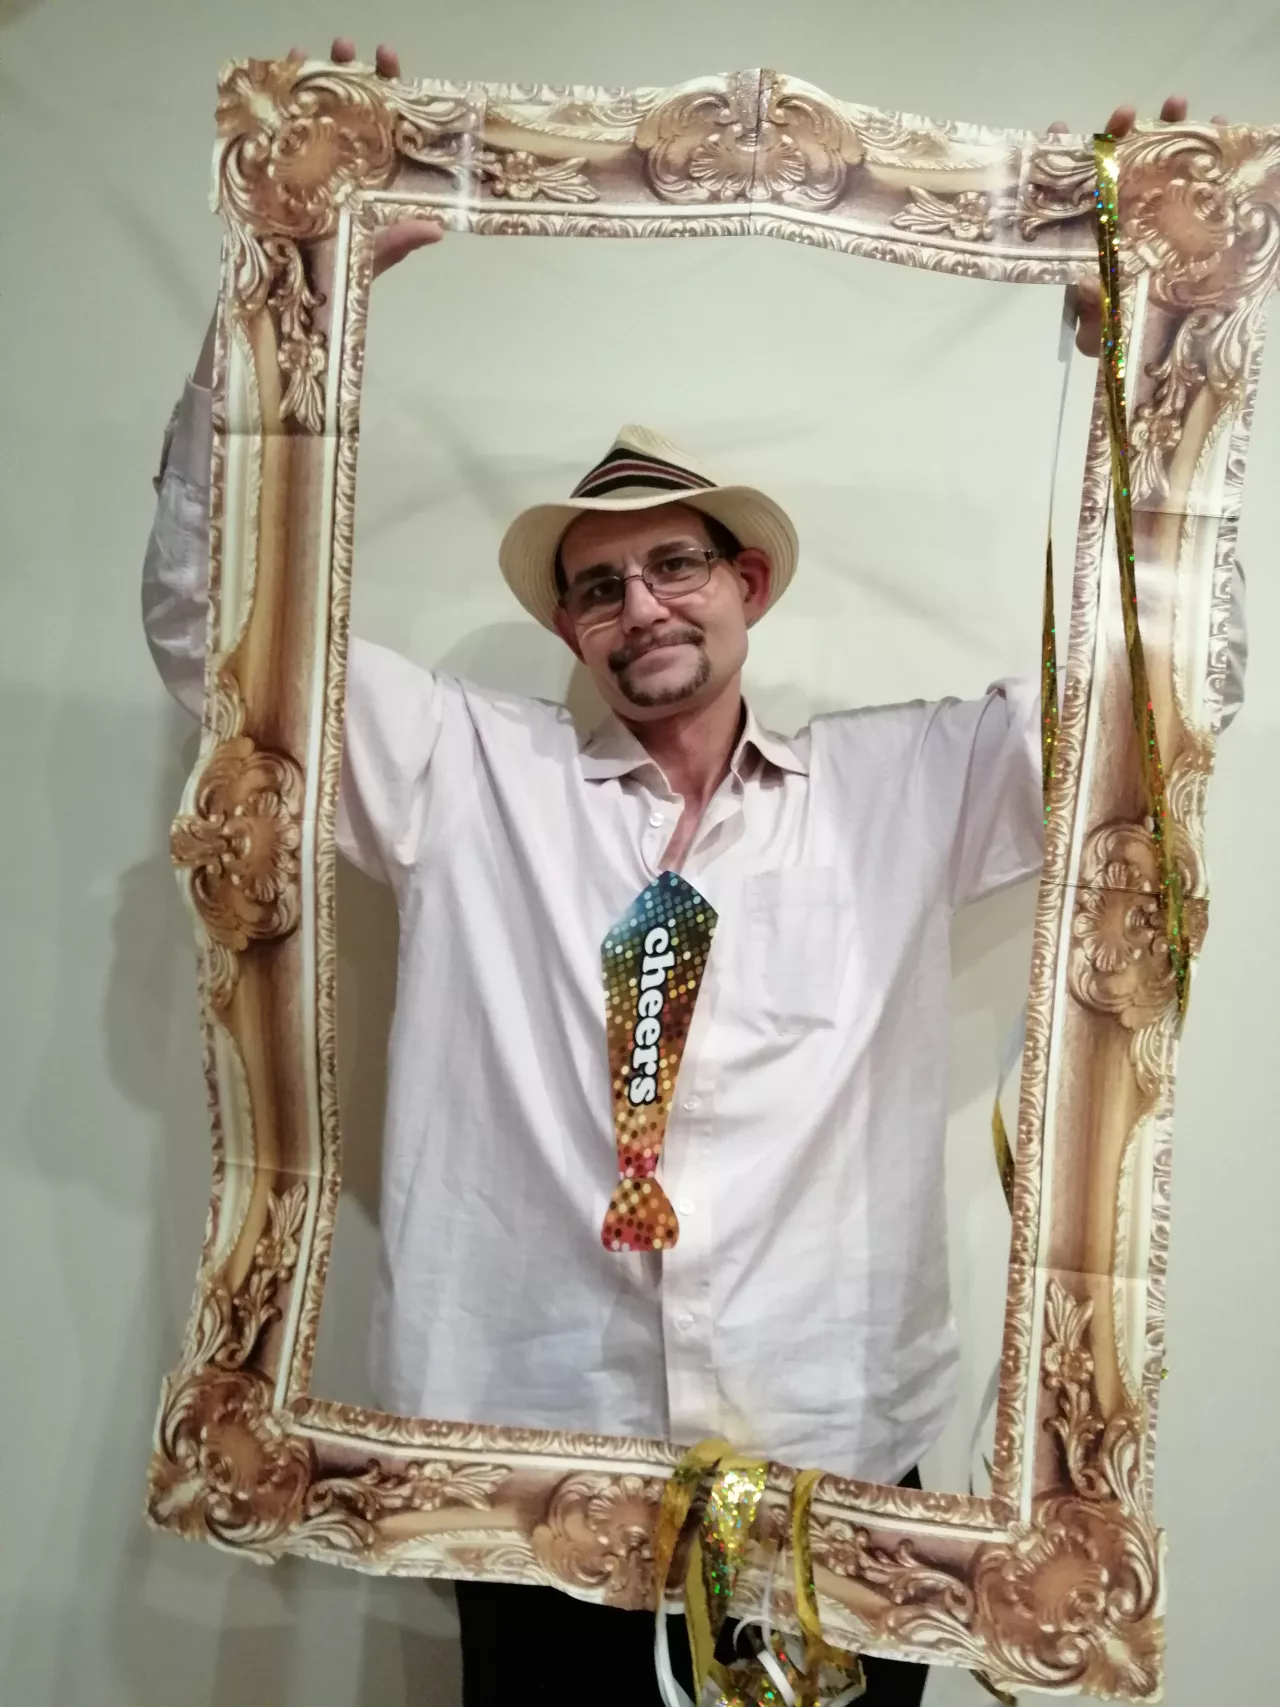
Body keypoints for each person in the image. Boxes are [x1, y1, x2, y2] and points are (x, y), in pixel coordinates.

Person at [142, 39, 1246, 1707]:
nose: (641, 606)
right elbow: (208, 624)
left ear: (748, 587)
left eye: (675, 564)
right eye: (599, 586)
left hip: (826, 1463)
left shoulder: (907, 784)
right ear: (566, 626)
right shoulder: (457, 772)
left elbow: (1168, 704)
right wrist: (286, 287)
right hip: (528, 1461)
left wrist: (1140, 361)